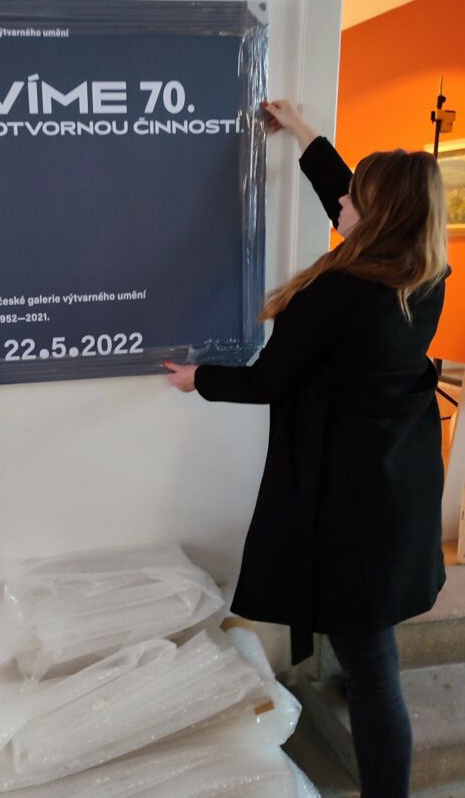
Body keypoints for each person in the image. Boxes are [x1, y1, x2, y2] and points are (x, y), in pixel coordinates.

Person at [165, 99, 450, 798]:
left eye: (354, 199)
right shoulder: (423, 276)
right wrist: (305, 134)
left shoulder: (337, 295)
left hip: (351, 512)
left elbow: (268, 381)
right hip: (395, 493)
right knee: (367, 644)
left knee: (375, 674)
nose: (341, 201)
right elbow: (347, 200)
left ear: (377, 219)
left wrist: (198, 378)